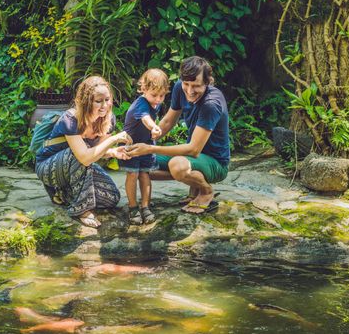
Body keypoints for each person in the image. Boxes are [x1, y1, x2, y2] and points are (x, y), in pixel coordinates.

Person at [126, 56, 230, 214]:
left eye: (196, 86)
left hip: (215, 163)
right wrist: (143, 142)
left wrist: (149, 149)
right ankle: (194, 184)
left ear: (208, 82)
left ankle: (206, 191)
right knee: (139, 164)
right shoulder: (179, 88)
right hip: (192, 158)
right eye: (186, 84)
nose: (189, 91)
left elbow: (194, 150)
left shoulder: (211, 103)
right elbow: (168, 122)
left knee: (177, 166)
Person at [35, 76, 132, 228]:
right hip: (48, 166)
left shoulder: (108, 119)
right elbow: (84, 158)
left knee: (112, 197)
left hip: (78, 165)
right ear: (87, 101)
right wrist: (113, 140)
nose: (104, 105)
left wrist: (112, 152)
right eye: (98, 101)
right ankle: (81, 209)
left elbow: (97, 152)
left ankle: (63, 192)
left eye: (107, 99)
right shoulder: (71, 118)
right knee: (79, 157)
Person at [118, 68, 168, 224]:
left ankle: (145, 206)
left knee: (145, 174)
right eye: (154, 95)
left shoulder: (156, 103)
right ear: (143, 89)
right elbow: (146, 118)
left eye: (162, 95)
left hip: (146, 145)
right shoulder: (141, 103)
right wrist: (154, 127)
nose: (158, 99)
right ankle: (133, 207)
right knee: (132, 174)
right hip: (131, 146)